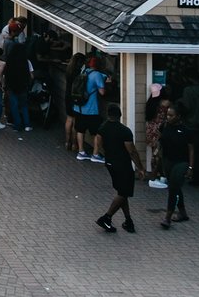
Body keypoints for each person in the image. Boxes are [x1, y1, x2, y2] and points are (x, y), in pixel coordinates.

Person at [93, 103, 144, 233]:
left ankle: (128, 220)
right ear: (120, 115)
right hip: (123, 165)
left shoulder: (102, 128)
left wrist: (108, 155)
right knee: (123, 192)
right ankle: (106, 217)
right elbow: (132, 151)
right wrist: (140, 168)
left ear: (108, 114)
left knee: (122, 192)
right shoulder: (124, 131)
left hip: (110, 163)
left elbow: (99, 144)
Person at [157, 104, 195, 229]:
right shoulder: (164, 127)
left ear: (178, 116)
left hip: (181, 162)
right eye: (167, 115)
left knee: (173, 188)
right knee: (175, 187)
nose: (168, 117)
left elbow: (191, 149)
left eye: (171, 115)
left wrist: (190, 167)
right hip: (168, 161)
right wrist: (156, 154)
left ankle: (168, 217)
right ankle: (183, 213)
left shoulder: (186, 130)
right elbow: (160, 142)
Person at [73, 56, 106, 161]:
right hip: (91, 109)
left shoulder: (83, 71)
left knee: (80, 130)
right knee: (96, 132)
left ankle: (81, 152)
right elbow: (102, 92)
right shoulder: (97, 75)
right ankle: (95, 154)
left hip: (79, 107)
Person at [2, 39, 34, 132]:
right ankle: (27, 125)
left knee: (14, 106)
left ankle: (17, 125)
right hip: (23, 87)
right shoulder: (26, 62)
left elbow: (5, 74)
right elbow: (32, 75)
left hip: (12, 86)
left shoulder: (10, 61)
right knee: (24, 106)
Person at [144, 84, 172, 184]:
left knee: (155, 153)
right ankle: (159, 175)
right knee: (161, 154)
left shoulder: (150, 103)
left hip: (151, 130)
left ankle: (155, 175)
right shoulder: (166, 103)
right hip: (161, 131)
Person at [62, 52, 87, 151]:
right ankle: (74, 144)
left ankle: (67, 142)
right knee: (75, 121)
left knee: (69, 119)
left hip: (67, 96)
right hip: (75, 96)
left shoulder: (68, 70)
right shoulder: (79, 72)